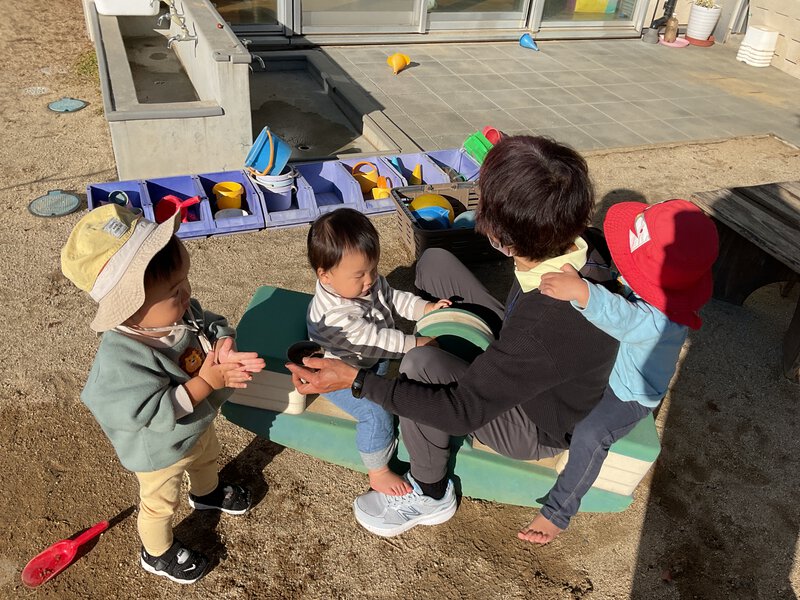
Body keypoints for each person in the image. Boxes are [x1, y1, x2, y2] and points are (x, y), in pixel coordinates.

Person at [287, 135, 620, 538]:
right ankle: (452, 350)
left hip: (536, 421)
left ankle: (430, 492)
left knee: (419, 363)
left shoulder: (548, 322)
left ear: (505, 237)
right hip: (520, 346)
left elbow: (462, 410)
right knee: (435, 261)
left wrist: (357, 381)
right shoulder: (581, 242)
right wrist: (430, 311)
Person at [61, 204, 265, 584]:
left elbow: (212, 324)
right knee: (159, 503)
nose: (187, 294)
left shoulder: (178, 313)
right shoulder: (122, 358)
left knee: (206, 455)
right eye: (174, 290)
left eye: (185, 280)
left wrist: (224, 343)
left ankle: (206, 492)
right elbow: (149, 413)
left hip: (196, 422)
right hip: (159, 449)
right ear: (129, 307)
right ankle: (156, 553)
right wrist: (206, 383)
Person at [525, 199, 719, 544]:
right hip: (613, 364)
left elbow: (622, 316)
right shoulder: (665, 288)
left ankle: (558, 511)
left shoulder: (661, 321)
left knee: (591, 434)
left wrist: (581, 291)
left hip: (629, 394)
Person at [306, 208, 450, 496]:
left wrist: (425, 308)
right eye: (360, 275)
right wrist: (414, 343)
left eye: (373, 269)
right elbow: (378, 339)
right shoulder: (336, 315)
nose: (370, 280)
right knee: (375, 411)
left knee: (391, 383)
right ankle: (378, 471)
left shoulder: (362, 284)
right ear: (325, 275)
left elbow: (393, 298)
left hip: (368, 360)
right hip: (338, 372)